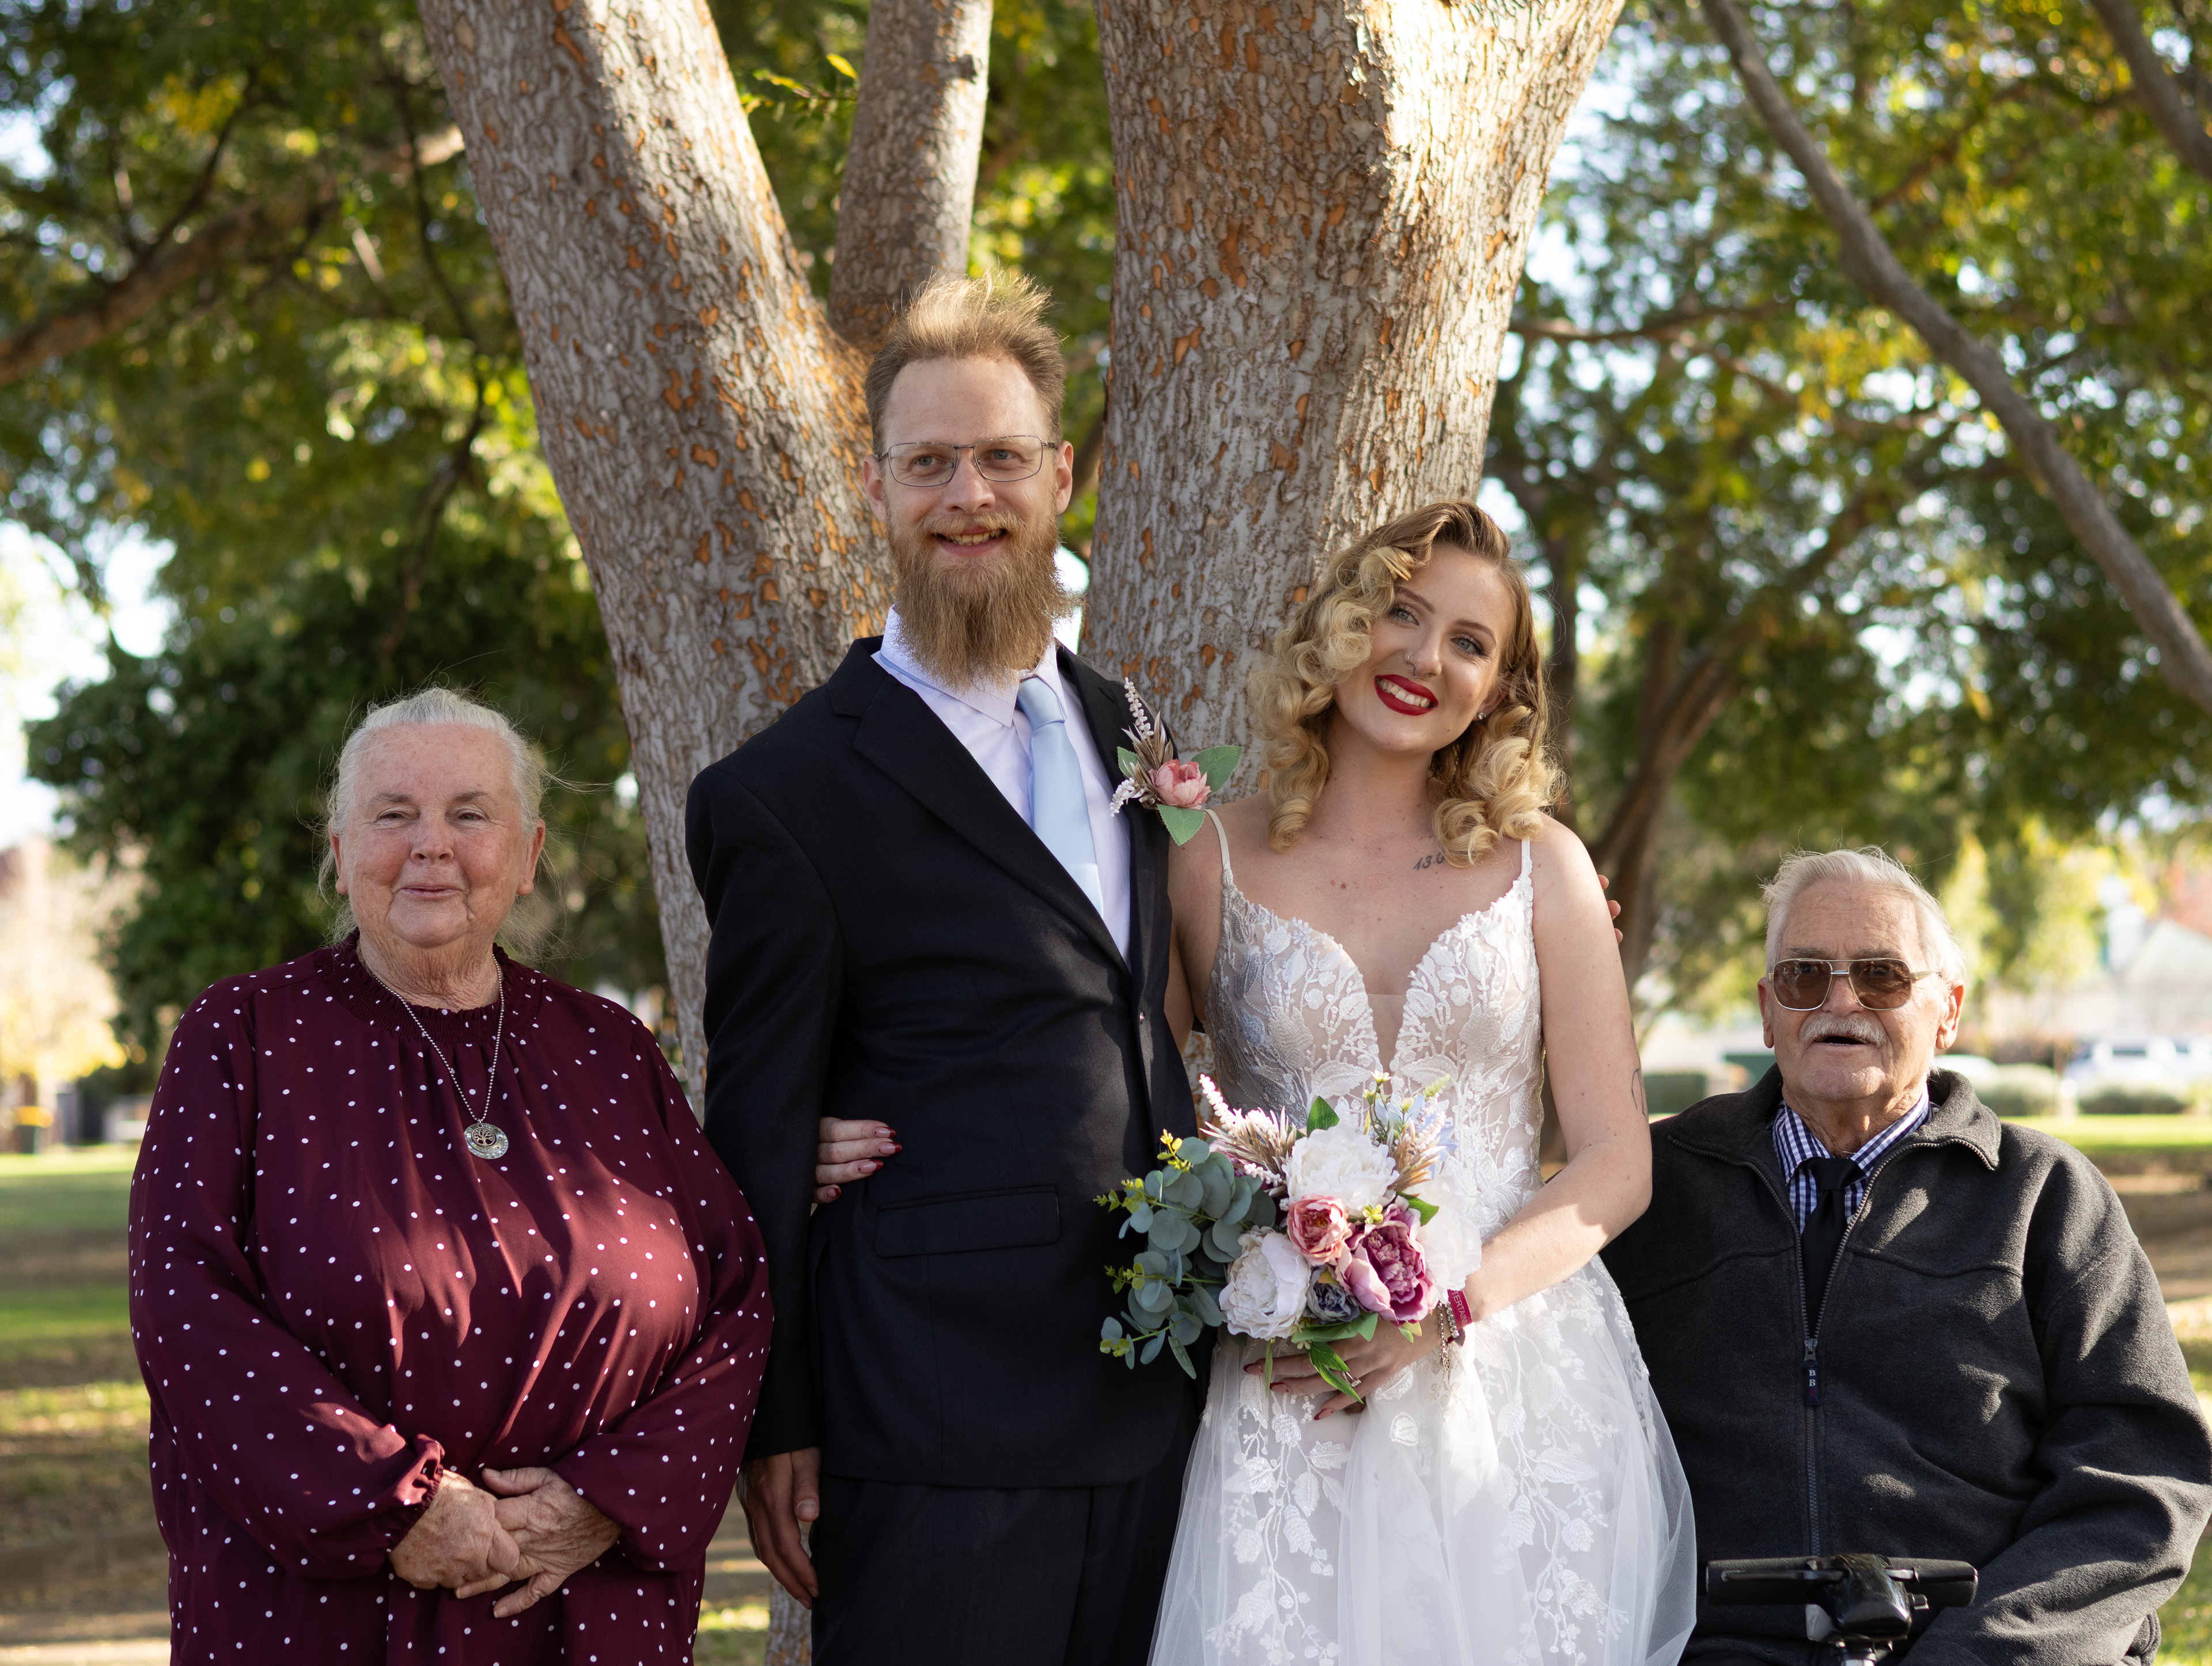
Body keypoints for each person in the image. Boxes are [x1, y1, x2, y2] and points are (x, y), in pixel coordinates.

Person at [824, 501, 1698, 1664]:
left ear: (1499, 691)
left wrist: (1449, 1309)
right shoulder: (1204, 858)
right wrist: (849, 1119)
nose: (1424, 657)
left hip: (1511, 1377)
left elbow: (1617, 1160)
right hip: (1288, 1382)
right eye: (1400, 612)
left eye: (1470, 643)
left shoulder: (1544, 865)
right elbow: (1093, 1092)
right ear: (1343, 624)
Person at [685, 273, 1200, 1665]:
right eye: (929, 465)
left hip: (1161, 1389)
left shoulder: (1129, 725)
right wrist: (779, 1417)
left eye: (1001, 459)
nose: (968, 496)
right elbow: (759, 1124)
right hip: (928, 1415)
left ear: (1061, 477)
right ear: (876, 486)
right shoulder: (783, 793)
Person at [128, 688, 771, 1665]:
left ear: (529, 855)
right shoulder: (243, 1037)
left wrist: (610, 1497)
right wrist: (394, 1505)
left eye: (470, 814)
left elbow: (737, 1296)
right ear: (341, 851)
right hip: (327, 1616)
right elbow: (185, 1308)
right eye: (394, 814)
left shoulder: (612, 1049)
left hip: (595, 1610)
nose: (432, 845)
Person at [1601, 848, 2212, 1665]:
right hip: (1725, 1646)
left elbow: (2142, 1482)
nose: (1840, 1001)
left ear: (1948, 1011)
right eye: (1804, 976)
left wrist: (1977, 1652)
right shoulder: (1650, 1190)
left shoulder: (2047, 1196)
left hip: (1990, 1648)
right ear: (1767, 1012)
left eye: (1882, 976)